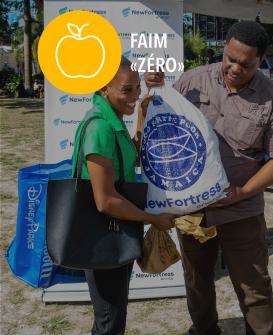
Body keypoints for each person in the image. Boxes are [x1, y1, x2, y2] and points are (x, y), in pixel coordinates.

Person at [145, 21, 273, 335]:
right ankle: (204, 330)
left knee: (253, 284)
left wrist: (241, 192)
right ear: (225, 47)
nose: (235, 68)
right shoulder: (192, 80)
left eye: (246, 63)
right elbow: (164, 123)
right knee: (197, 279)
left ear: (261, 61)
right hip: (192, 209)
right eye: (230, 58)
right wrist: (153, 92)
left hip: (241, 209)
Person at [72, 56, 175, 335]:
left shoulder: (112, 119)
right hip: (104, 237)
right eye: (126, 90)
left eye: (137, 88)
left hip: (115, 232)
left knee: (112, 316)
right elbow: (105, 201)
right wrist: (152, 218)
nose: (134, 95)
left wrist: (142, 112)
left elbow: (134, 158)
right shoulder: (101, 128)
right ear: (104, 88)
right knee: (109, 322)